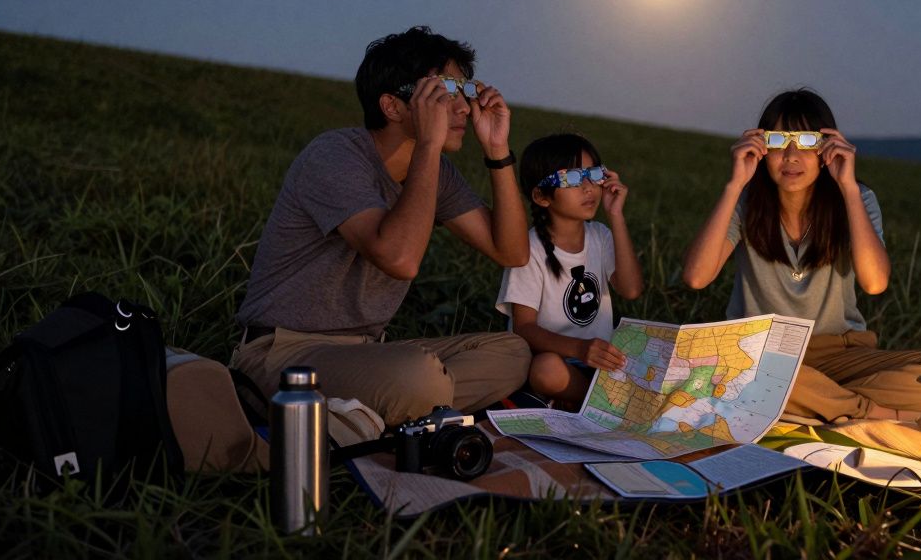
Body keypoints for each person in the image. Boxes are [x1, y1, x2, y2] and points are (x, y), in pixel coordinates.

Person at [231, 26, 532, 426]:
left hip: (369, 354)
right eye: (445, 91)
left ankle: (374, 414)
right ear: (393, 106)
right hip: (284, 351)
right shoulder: (334, 155)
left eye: (466, 91)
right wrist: (428, 144)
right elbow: (399, 258)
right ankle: (401, 411)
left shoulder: (435, 173)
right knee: (418, 377)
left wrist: (497, 151)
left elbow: (511, 252)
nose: (463, 108)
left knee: (513, 352)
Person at [681, 89, 921, 425]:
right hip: (762, 354)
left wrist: (848, 187)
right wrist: (735, 184)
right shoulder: (746, 202)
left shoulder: (857, 198)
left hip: (841, 354)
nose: (792, 155)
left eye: (808, 141)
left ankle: (815, 403)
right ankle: (872, 412)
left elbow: (874, 283)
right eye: (778, 141)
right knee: (740, 373)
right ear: (761, 147)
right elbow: (697, 277)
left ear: (827, 149)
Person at [496, 134, 644, 409]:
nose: (588, 187)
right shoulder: (529, 248)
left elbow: (631, 289)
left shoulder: (600, 235)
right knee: (546, 370)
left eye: (593, 174)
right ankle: (607, 405)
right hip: (554, 359)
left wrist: (616, 216)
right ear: (541, 196)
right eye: (574, 179)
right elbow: (524, 327)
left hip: (599, 362)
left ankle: (584, 401)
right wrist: (578, 349)